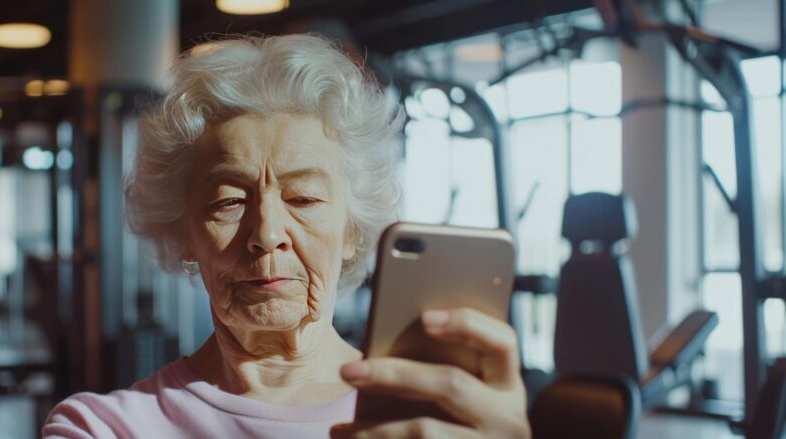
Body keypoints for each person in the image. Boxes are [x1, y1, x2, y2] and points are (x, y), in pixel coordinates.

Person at [42, 34, 529, 439]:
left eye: (304, 200)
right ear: (183, 232)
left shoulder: (438, 417)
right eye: (228, 202)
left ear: (352, 232)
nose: (267, 235)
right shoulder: (102, 428)